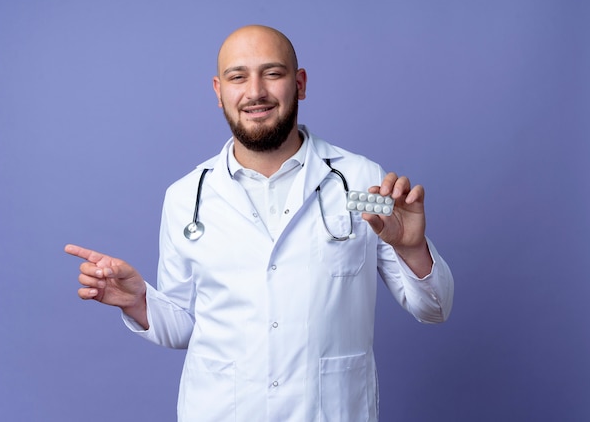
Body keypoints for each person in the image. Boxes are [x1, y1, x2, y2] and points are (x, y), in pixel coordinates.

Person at [65, 25, 454, 422]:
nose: (255, 92)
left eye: (272, 73)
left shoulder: (359, 179)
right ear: (219, 92)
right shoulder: (186, 197)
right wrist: (138, 302)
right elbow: (184, 328)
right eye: (238, 76)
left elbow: (435, 309)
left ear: (299, 84)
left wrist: (411, 249)